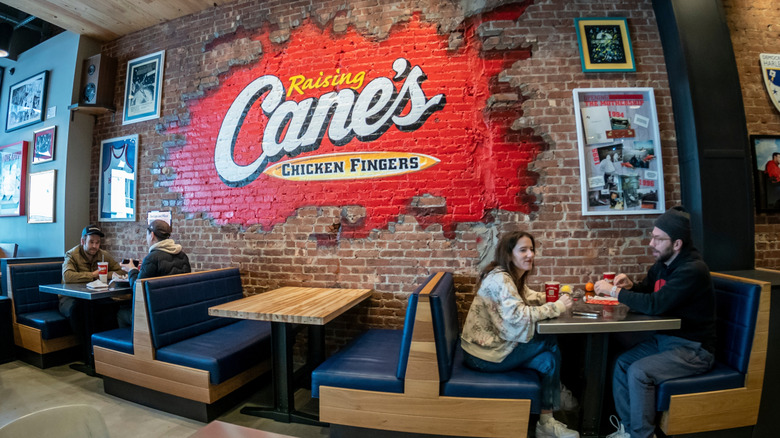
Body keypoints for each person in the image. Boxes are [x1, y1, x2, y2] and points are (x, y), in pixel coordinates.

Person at [594, 206, 716, 438]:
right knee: (621, 363)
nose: (651, 243)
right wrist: (631, 286)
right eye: (652, 237)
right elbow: (649, 291)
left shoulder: (692, 270)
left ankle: (643, 435)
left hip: (694, 349)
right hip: (665, 341)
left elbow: (655, 304)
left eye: (658, 239)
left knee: (639, 371)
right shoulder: (663, 264)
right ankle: (630, 431)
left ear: (677, 244)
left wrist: (614, 292)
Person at [460, 231, 578, 438]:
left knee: (548, 361)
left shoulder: (509, 276)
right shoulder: (501, 279)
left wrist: (550, 297)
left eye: (531, 249)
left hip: (492, 349)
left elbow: (526, 296)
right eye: (523, 250)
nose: (530, 255)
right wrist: (557, 307)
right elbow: (518, 315)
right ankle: (560, 393)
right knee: (549, 339)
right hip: (483, 355)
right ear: (509, 254)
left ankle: (546, 423)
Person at [117, 220, 191, 327]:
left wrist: (132, 269)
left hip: (157, 316)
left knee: (121, 313)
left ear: (152, 235)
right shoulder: (182, 255)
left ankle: (137, 338)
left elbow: (138, 290)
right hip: (179, 312)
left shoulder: (152, 258)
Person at [60, 225, 124, 344]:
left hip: (95, 297)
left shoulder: (103, 254)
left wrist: (105, 274)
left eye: (97, 242)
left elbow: (121, 272)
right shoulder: (72, 255)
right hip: (70, 298)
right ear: (83, 241)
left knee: (111, 306)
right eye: (91, 242)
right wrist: (93, 275)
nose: (94, 246)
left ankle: (105, 347)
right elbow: (68, 276)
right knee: (80, 310)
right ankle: (87, 351)